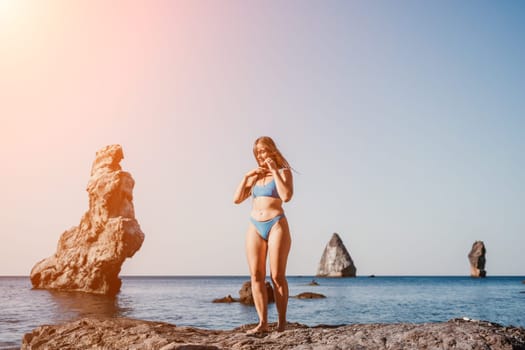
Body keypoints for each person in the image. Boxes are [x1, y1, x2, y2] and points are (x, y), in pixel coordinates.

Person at [233, 136, 294, 334]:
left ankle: (282, 324)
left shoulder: (284, 172)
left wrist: (274, 170)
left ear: (272, 150)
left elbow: (286, 196)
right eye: (257, 152)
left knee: (277, 276)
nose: (261, 155)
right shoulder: (256, 177)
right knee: (256, 275)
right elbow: (237, 199)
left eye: (264, 150)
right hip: (254, 225)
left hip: (276, 224)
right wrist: (246, 177)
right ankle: (262, 323)